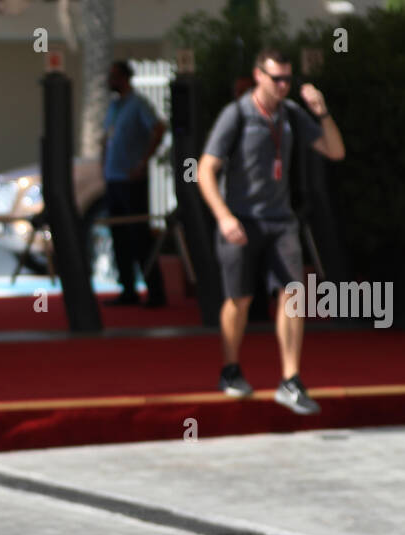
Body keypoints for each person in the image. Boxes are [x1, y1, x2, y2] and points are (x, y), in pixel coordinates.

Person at [197, 49, 345, 414]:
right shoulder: (236, 115)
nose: (283, 86)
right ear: (258, 75)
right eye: (276, 78)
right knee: (240, 299)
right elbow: (205, 170)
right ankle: (231, 369)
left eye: (287, 80)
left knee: (293, 295)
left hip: (280, 221)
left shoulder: (292, 114)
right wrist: (223, 216)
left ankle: (291, 379)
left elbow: (335, 151)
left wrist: (322, 112)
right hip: (242, 220)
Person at [100, 60, 167, 308]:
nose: (110, 81)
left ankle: (155, 291)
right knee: (118, 236)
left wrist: (142, 162)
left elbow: (158, 128)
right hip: (113, 179)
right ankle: (127, 289)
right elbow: (107, 138)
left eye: (114, 76)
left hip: (131, 180)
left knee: (139, 235)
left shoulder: (138, 104)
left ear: (124, 78)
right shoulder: (114, 107)